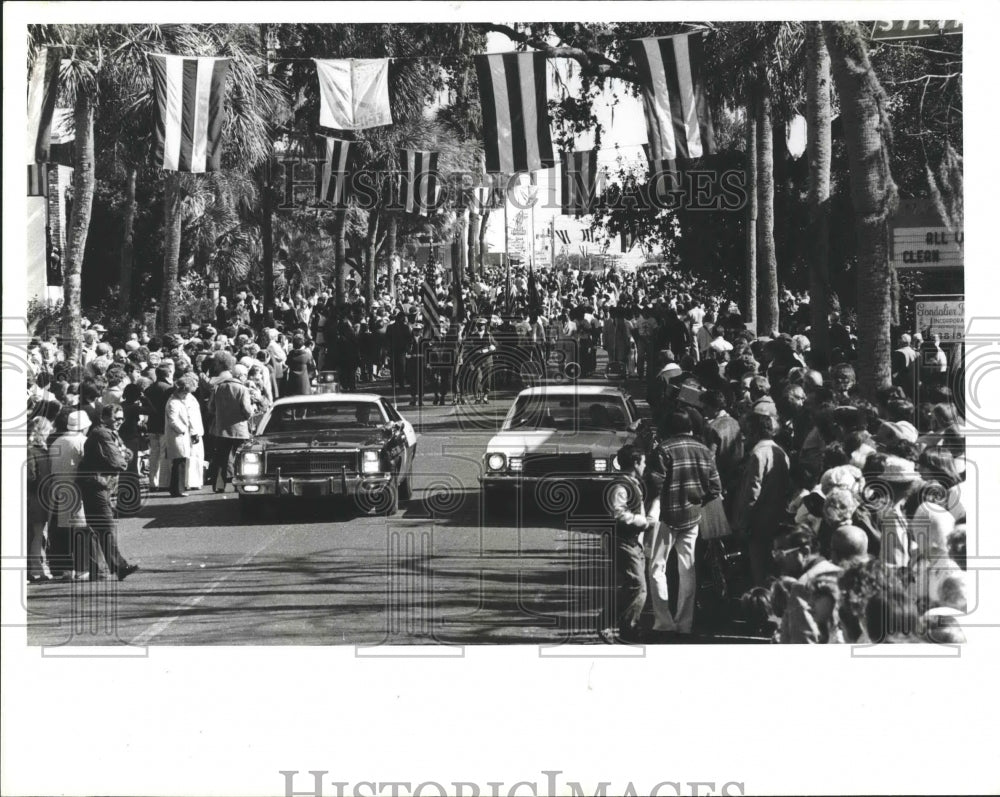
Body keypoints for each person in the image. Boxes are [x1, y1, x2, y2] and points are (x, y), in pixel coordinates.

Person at [646, 410, 722, 634]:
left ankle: (664, 622)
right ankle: (684, 623)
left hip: (666, 516)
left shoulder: (664, 449)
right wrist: (697, 500)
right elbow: (715, 488)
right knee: (688, 568)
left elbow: (654, 484)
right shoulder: (704, 450)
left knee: (657, 568)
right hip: (692, 517)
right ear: (690, 428)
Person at [600, 443, 656, 642]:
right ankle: (608, 621)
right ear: (635, 463)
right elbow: (618, 514)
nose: (645, 466)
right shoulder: (620, 486)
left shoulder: (632, 483)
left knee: (639, 587)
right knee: (636, 584)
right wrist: (643, 522)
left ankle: (629, 627)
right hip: (621, 540)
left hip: (632, 540)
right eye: (643, 462)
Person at [78, 404, 139, 581]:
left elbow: (127, 454)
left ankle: (110, 567)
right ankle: (118, 566)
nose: (120, 421)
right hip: (96, 485)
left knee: (101, 527)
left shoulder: (110, 433)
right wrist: (122, 457)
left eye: (121, 418)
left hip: (100, 484)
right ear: (104, 417)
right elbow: (118, 462)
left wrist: (122, 456)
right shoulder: (102, 434)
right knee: (106, 525)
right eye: (116, 418)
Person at [731, 410, 792, 586]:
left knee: (759, 570)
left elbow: (751, 493)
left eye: (746, 432)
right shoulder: (781, 452)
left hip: (758, 521)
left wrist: (742, 522)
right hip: (776, 518)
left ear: (755, 432)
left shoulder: (758, 455)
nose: (744, 437)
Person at [48, 411, 97, 580]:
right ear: (84, 427)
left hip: (57, 489)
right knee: (81, 530)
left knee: (62, 530)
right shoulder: (83, 442)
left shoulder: (57, 442)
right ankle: (82, 569)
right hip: (77, 489)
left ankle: (66, 570)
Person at [207, 352, 254, 494]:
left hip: (221, 428)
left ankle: (219, 485)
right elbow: (247, 410)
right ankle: (239, 484)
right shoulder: (242, 389)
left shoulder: (218, 387)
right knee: (240, 459)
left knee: (220, 458)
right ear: (241, 376)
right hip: (239, 430)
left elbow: (210, 408)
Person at [27, 417, 55, 582]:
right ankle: (38, 568)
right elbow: (33, 477)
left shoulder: (35, 450)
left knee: (37, 534)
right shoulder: (37, 451)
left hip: (38, 497)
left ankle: (38, 568)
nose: (49, 434)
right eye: (48, 431)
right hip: (38, 498)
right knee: (38, 534)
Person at [164, 375, 199, 498]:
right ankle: (178, 490)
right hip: (178, 436)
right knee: (179, 463)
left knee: (180, 462)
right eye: (185, 393)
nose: (186, 395)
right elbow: (173, 420)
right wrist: (183, 431)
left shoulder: (178, 400)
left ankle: (176, 489)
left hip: (181, 436)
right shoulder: (173, 402)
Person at [144, 364, 175, 491]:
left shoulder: (149, 389)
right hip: (164, 425)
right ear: (168, 374)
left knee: (153, 455)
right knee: (164, 454)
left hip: (152, 424)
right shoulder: (169, 389)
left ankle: (153, 482)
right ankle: (163, 482)